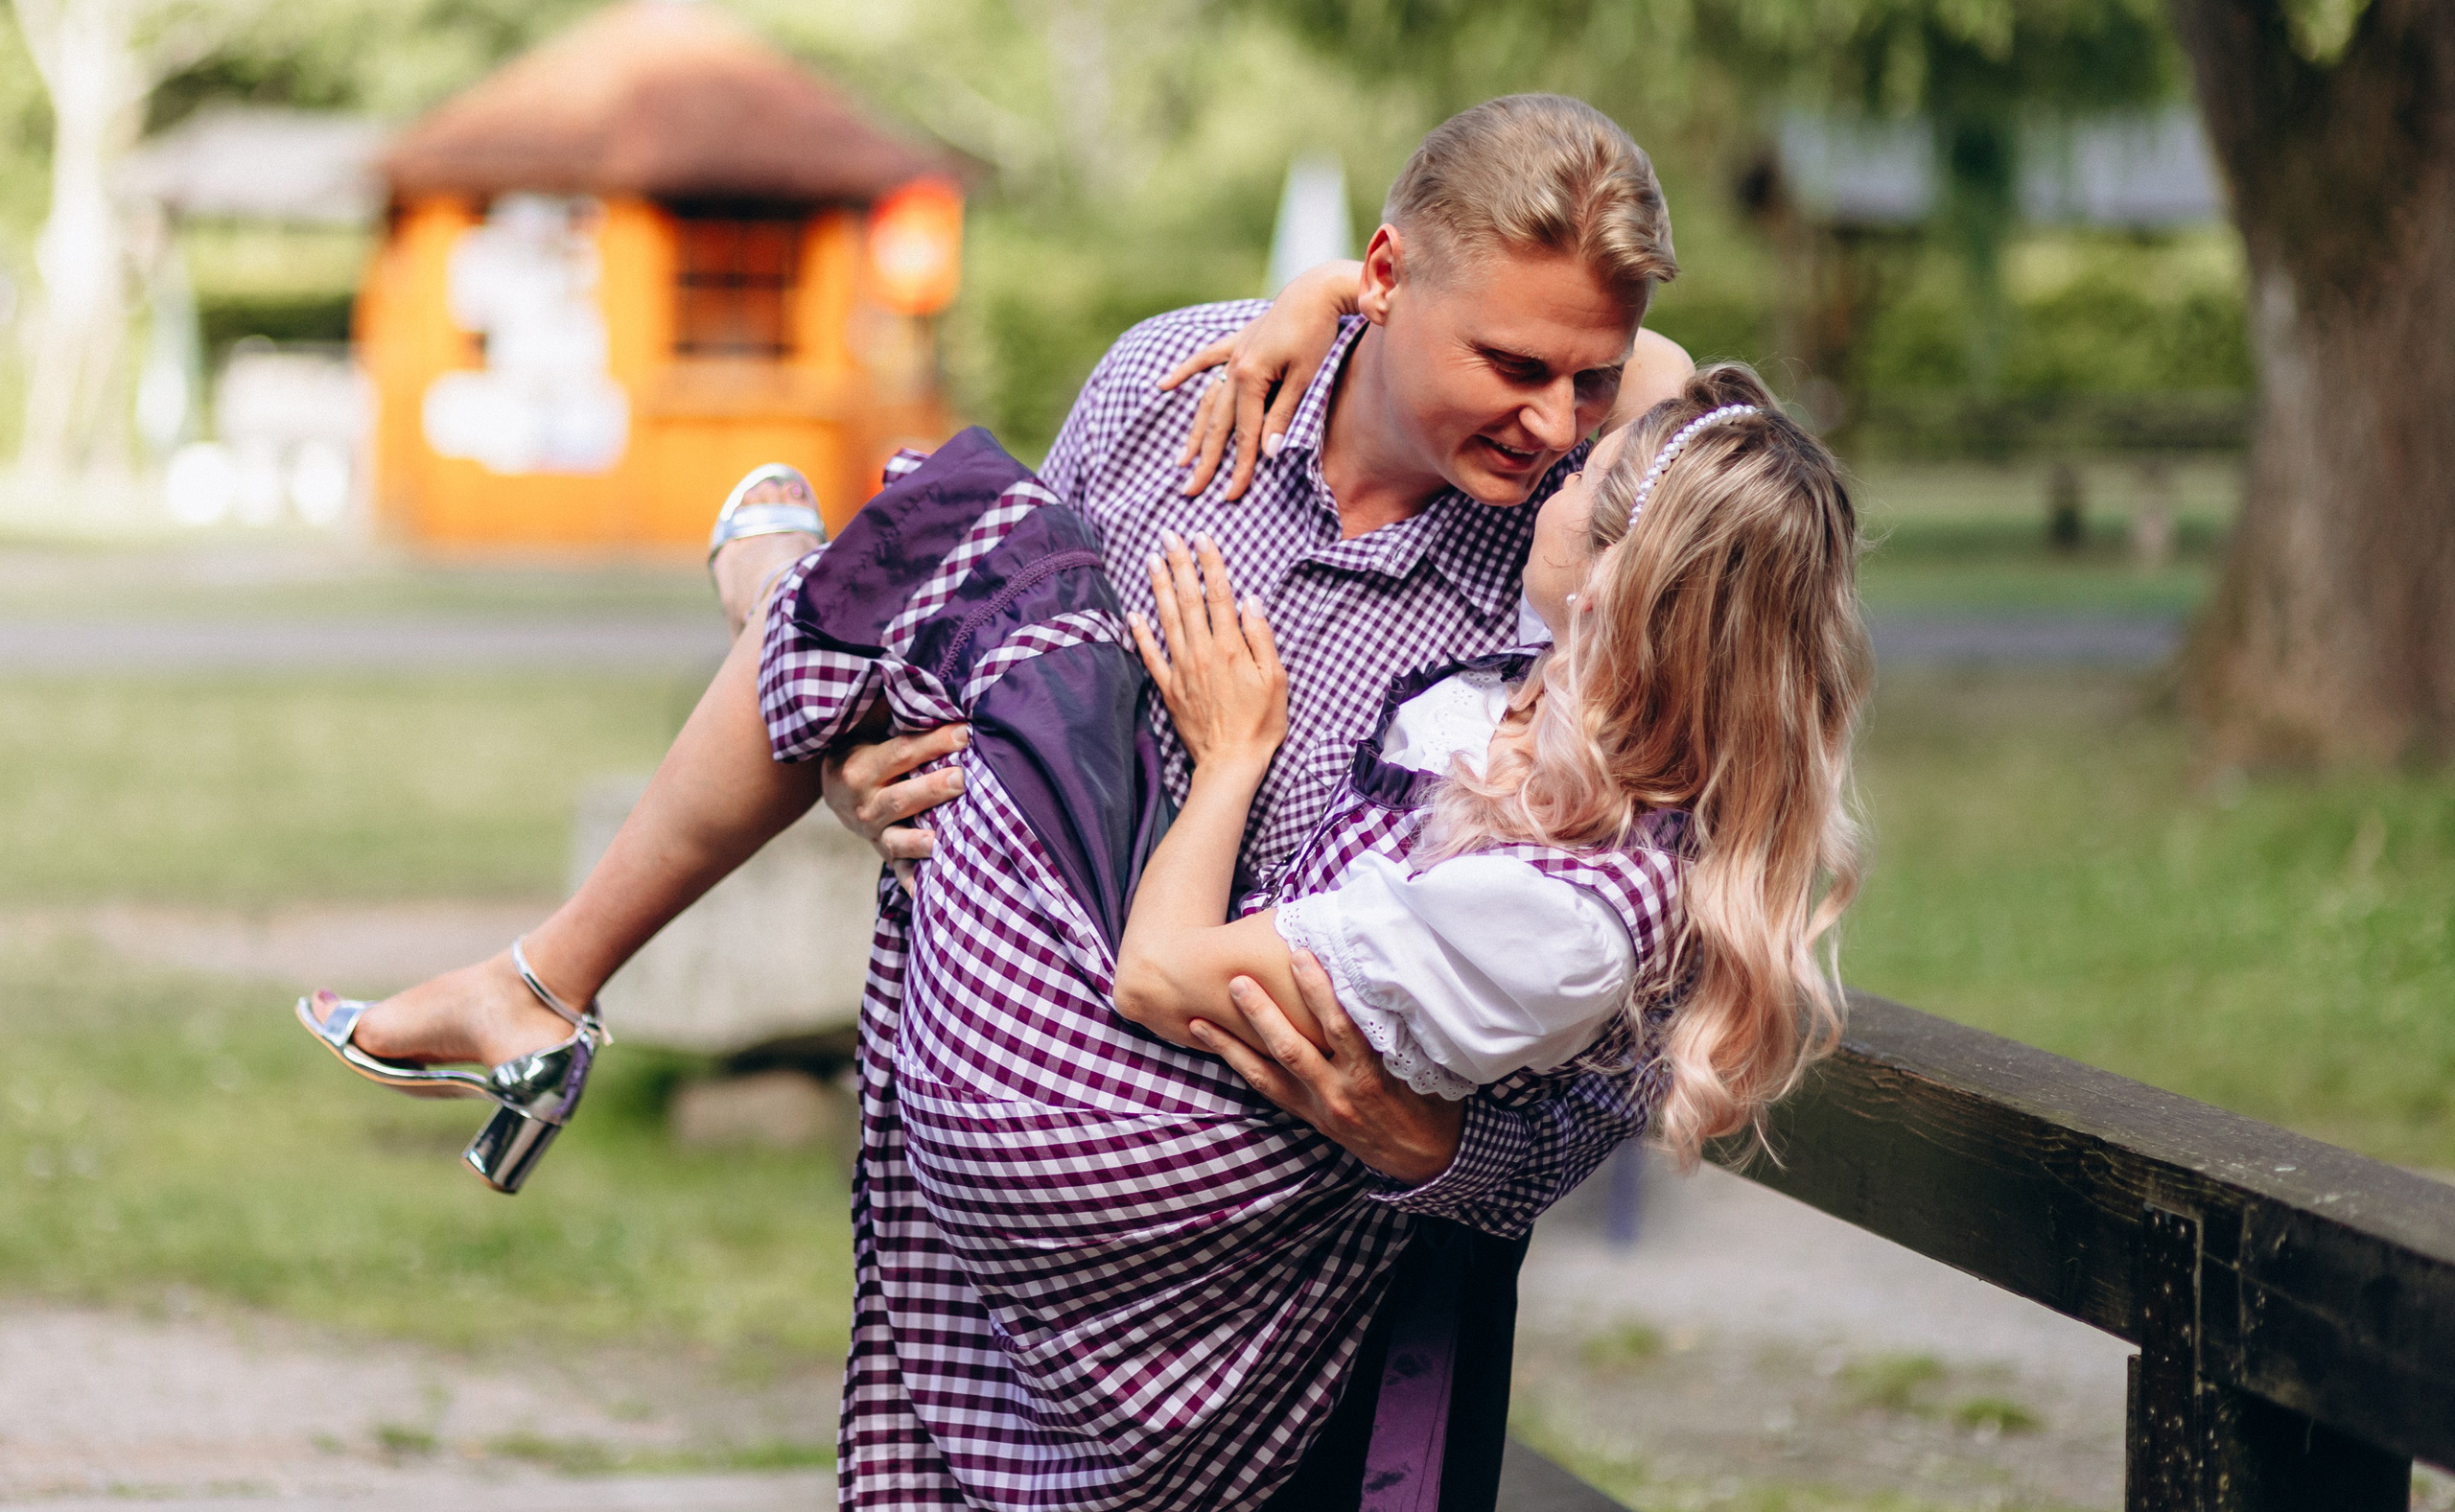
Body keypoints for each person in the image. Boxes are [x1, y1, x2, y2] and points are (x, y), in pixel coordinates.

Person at [300, 95, 1776, 1510]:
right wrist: (860, 774)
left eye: (1591, 379)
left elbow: (1639, 969)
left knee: (935, 532)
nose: (1554, 420)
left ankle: (758, 593)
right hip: (1007, 1128)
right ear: (1389, 276)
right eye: (1513, 364)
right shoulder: (1176, 383)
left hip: (1276, 1273)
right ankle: (763, 632)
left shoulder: (1595, 556)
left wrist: (1457, 1155)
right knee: (957, 563)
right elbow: (994, 702)